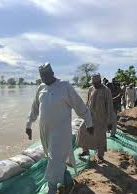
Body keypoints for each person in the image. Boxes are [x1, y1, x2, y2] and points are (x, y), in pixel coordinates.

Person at [25, 63, 93, 194]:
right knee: (54, 158)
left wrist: (89, 122)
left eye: (45, 75)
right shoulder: (41, 87)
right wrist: (28, 124)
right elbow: (34, 108)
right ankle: (67, 182)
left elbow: (79, 105)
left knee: (54, 159)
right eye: (41, 76)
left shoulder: (65, 86)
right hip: (45, 132)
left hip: (61, 132)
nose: (43, 78)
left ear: (52, 73)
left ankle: (52, 188)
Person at [77, 73, 114, 163]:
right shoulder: (90, 89)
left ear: (100, 81)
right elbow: (87, 102)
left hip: (101, 118)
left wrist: (109, 122)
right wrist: (84, 114)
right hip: (90, 116)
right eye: (93, 83)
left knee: (100, 136)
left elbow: (109, 106)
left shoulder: (106, 91)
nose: (94, 84)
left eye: (95, 83)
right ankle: (85, 150)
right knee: (82, 130)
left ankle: (100, 156)